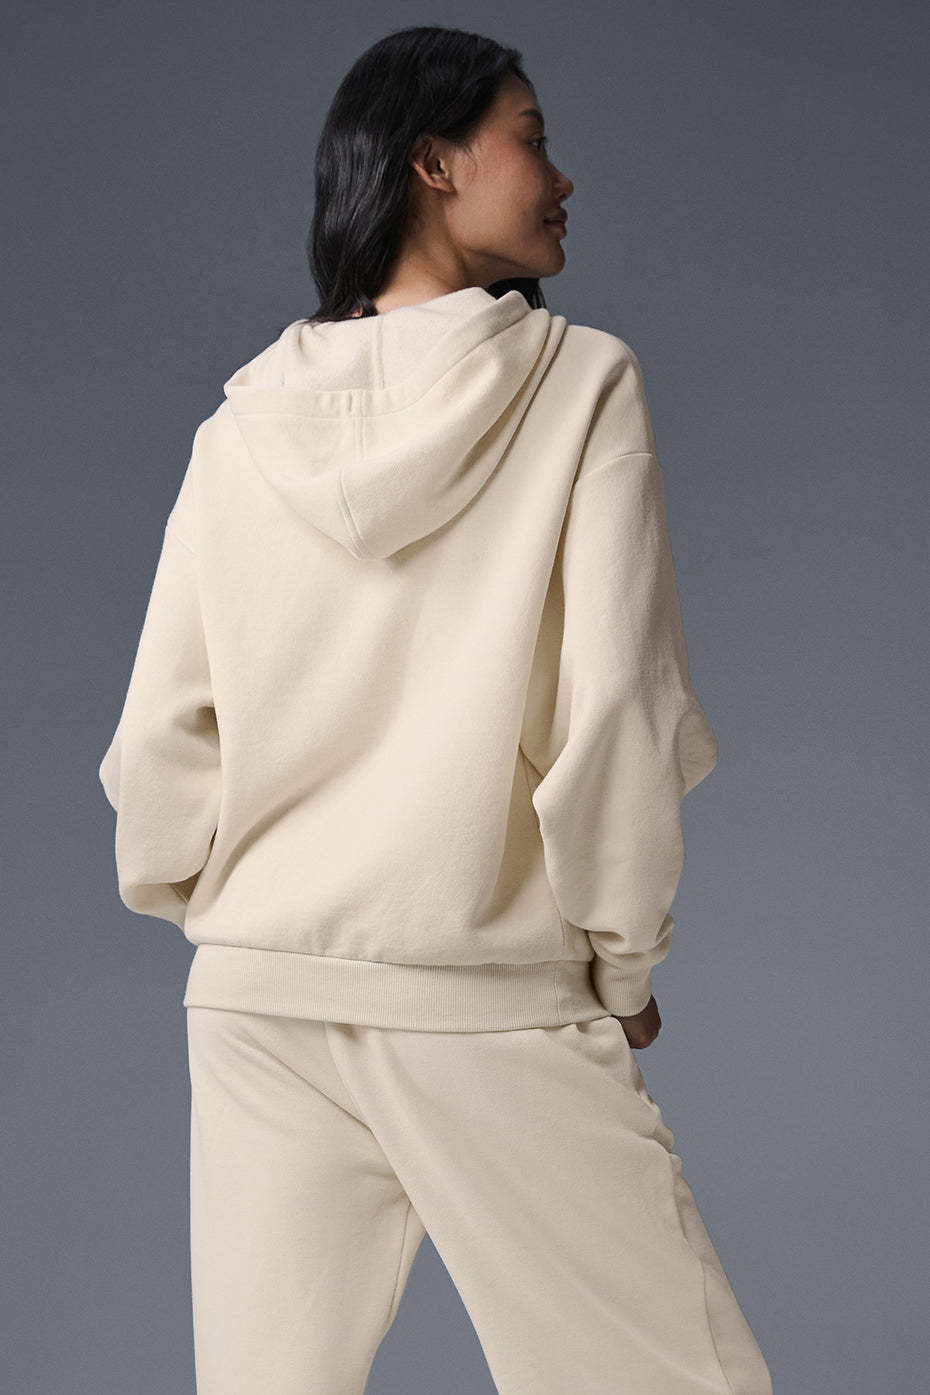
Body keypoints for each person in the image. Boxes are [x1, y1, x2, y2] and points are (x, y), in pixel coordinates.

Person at [98, 23, 774, 1395]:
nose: (562, 178)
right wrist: (619, 966)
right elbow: (615, 714)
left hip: (256, 996)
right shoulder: (578, 385)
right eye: (532, 139)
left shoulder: (238, 430)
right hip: (480, 988)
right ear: (433, 162)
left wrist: (241, 912)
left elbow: (162, 738)